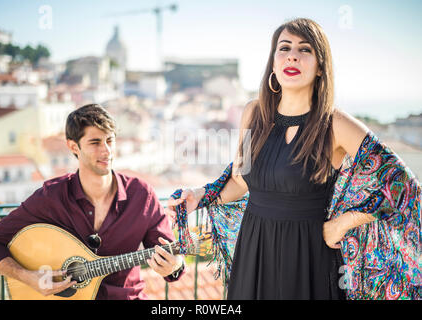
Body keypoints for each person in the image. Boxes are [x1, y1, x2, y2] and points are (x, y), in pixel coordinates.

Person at [167, 18, 420, 300]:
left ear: (321, 66)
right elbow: (241, 179)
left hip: (309, 256)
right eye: (284, 48)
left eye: (305, 50)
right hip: (254, 251)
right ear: (273, 63)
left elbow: (404, 187)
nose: (292, 56)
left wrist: (343, 223)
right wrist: (200, 195)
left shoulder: (336, 124)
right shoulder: (253, 113)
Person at [0, 104, 184, 300]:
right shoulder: (52, 196)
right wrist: (29, 277)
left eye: (110, 140)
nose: (106, 151)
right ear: (73, 146)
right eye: (95, 142)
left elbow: (170, 258)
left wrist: (175, 266)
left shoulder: (142, 195)